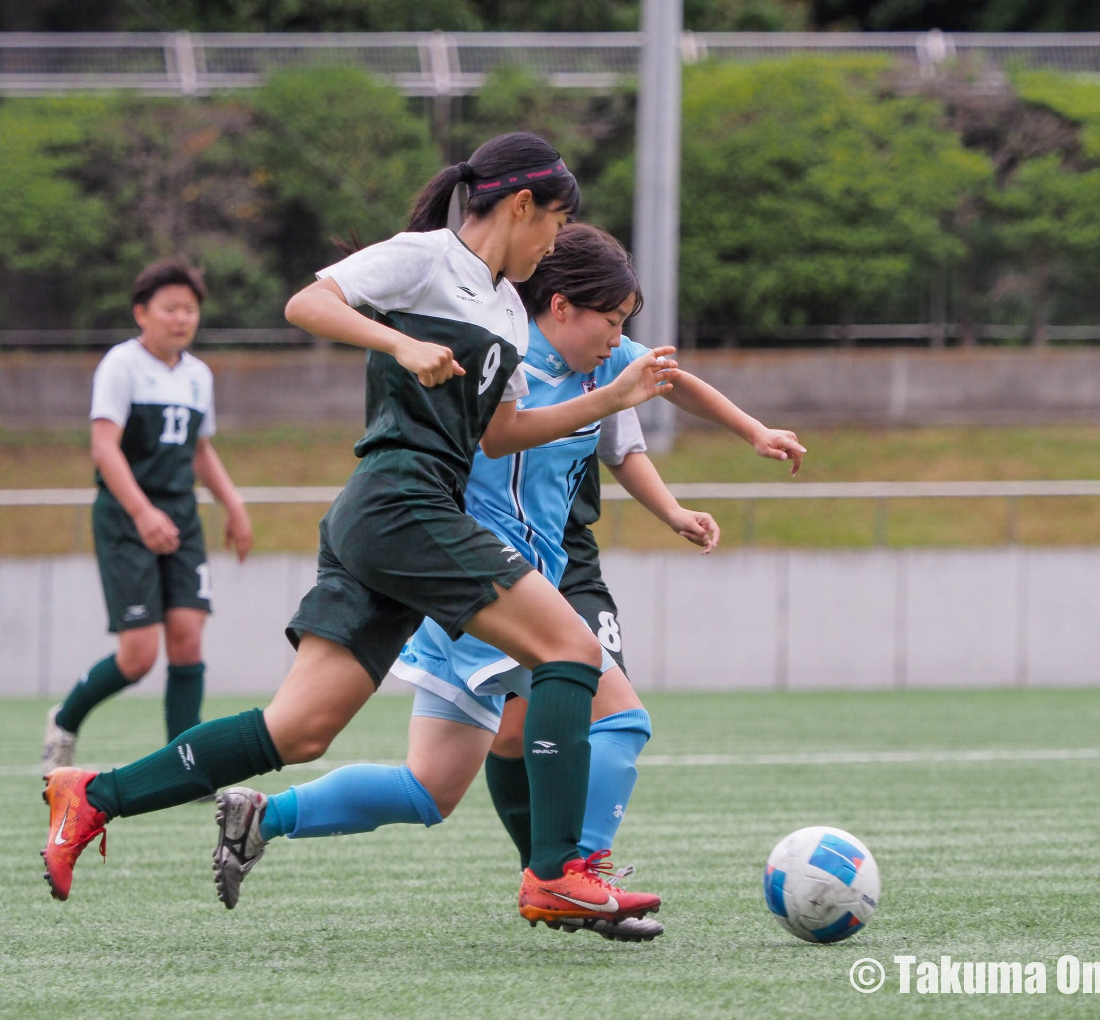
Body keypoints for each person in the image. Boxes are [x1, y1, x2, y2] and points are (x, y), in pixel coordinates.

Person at [39, 133, 678, 933]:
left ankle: (94, 795)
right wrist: (398, 340)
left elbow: (503, 433)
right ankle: (556, 874)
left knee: (297, 731)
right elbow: (307, 303)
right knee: (574, 650)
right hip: (402, 504)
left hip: (387, 518)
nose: (553, 244)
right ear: (521, 206)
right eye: (553, 224)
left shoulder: (510, 310)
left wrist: (608, 402)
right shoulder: (425, 258)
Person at [207, 224, 804, 940]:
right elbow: (484, 429)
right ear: (559, 307)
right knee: (619, 718)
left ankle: (262, 816)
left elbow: (672, 384)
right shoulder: (507, 354)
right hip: (481, 580)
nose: (620, 339)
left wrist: (751, 434)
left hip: (498, 586)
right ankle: (573, 876)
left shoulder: (599, 361)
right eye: (610, 321)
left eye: (624, 325)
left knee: (429, 788)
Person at [40, 259, 253, 775]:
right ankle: (64, 721)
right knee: (138, 657)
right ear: (142, 313)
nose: (181, 318)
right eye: (170, 308)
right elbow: (103, 447)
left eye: (190, 309)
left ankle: (185, 765)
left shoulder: (198, 375)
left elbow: (200, 449)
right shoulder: (121, 365)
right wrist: (141, 512)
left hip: (180, 515)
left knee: (188, 637)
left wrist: (234, 505)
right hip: (125, 514)